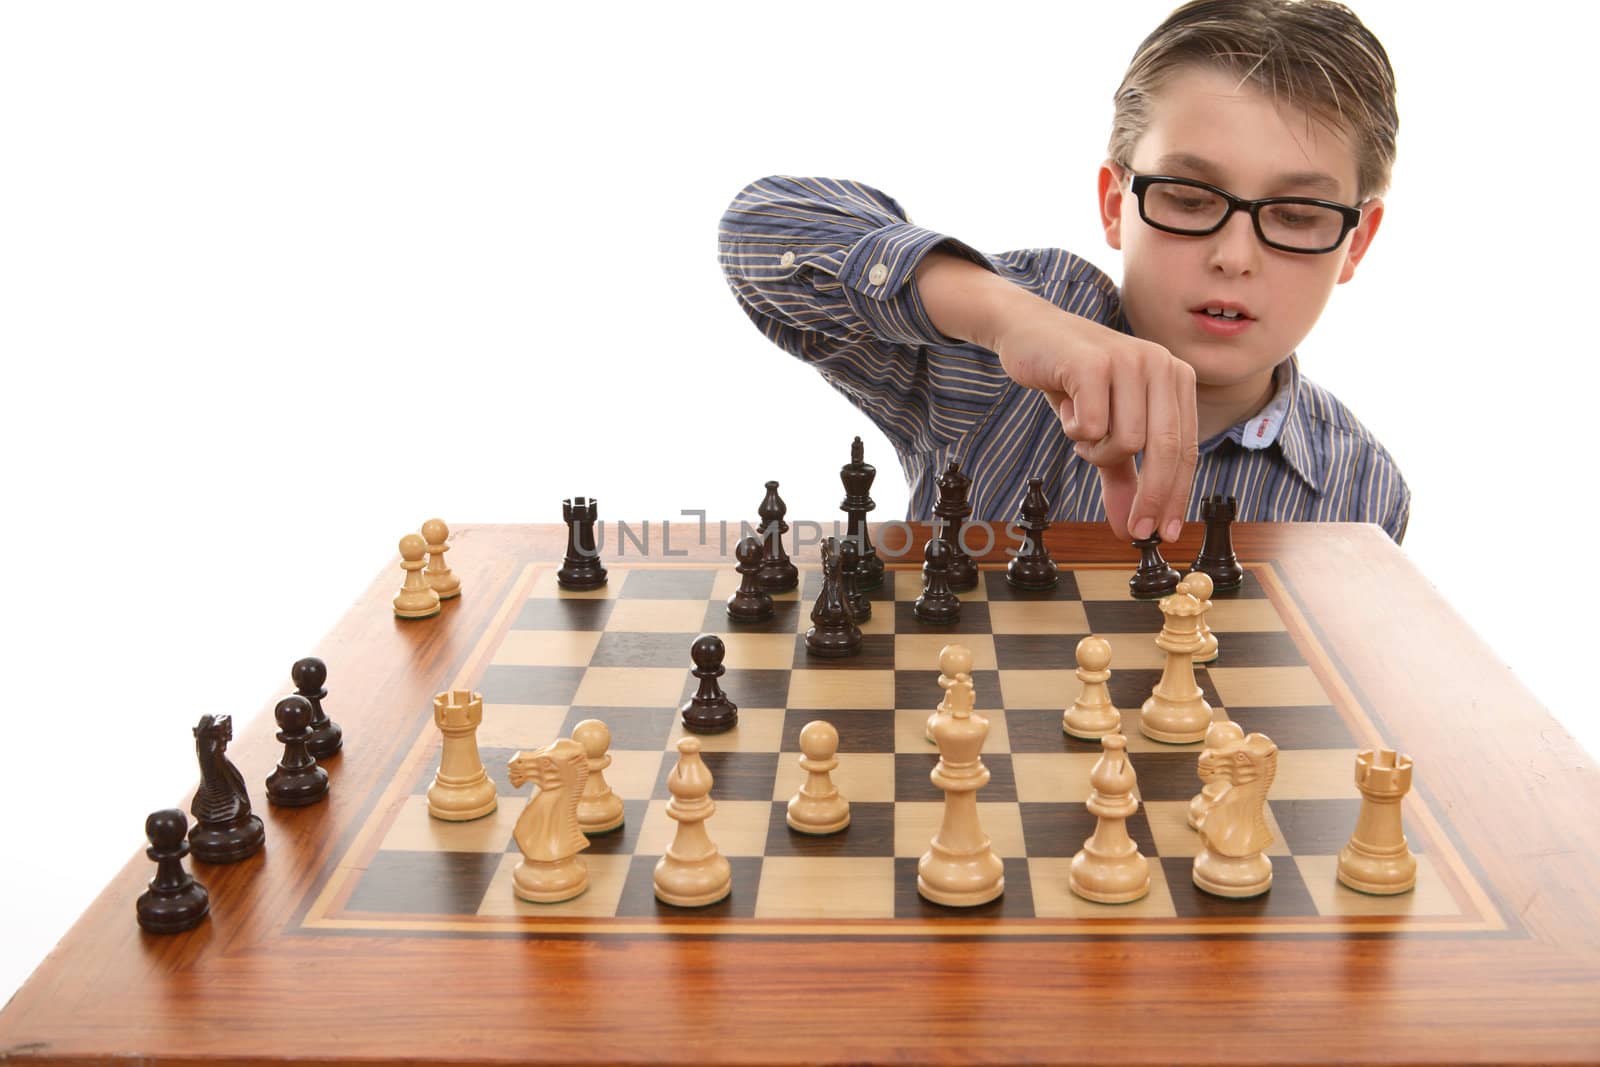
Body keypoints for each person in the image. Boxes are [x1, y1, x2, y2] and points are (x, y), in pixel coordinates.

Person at [718, 0, 1410, 544]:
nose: (1234, 255)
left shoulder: (1365, 491)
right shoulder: (989, 361)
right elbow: (760, 230)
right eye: (1189, 197)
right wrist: (1007, 316)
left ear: (1357, 241)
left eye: (1294, 214)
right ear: (1116, 204)